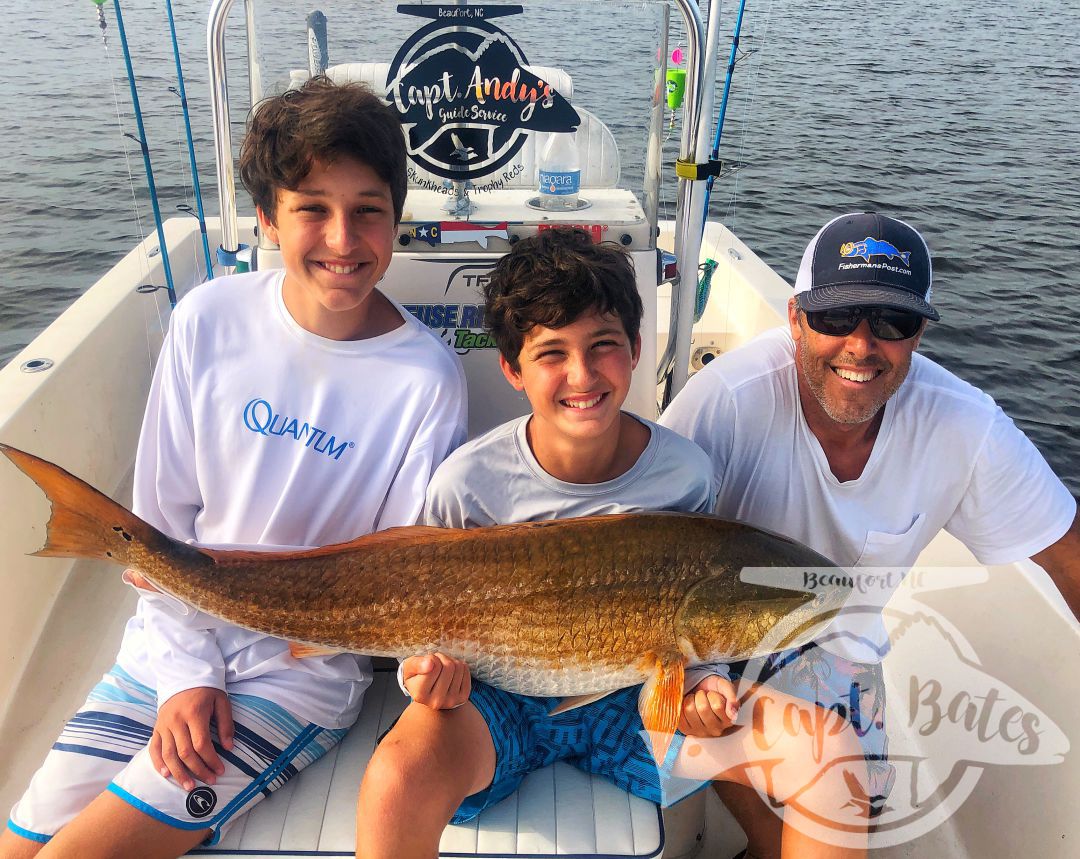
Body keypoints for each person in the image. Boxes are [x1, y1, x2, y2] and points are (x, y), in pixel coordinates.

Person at [1, 77, 466, 859]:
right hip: (163, 644)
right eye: (312, 207)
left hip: (297, 678)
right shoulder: (207, 319)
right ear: (265, 217)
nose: (343, 239)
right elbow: (161, 520)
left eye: (368, 209)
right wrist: (186, 670)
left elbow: (395, 581)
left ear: (397, 218)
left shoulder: (427, 379)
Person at [357, 228, 871, 859]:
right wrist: (422, 677)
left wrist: (705, 681)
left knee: (832, 754)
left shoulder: (686, 474)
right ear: (512, 370)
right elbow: (418, 626)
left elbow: (695, 620)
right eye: (551, 354)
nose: (581, 373)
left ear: (633, 350)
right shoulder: (468, 484)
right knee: (394, 780)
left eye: (603, 346)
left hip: (640, 708)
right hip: (495, 703)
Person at [661, 211, 1080, 858]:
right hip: (698, 644)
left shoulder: (965, 425)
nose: (861, 345)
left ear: (918, 335)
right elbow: (641, 557)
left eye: (891, 323)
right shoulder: (726, 403)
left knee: (856, 801)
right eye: (836, 318)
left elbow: (1065, 551)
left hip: (833, 641)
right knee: (814, 808)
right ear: (794, 318)